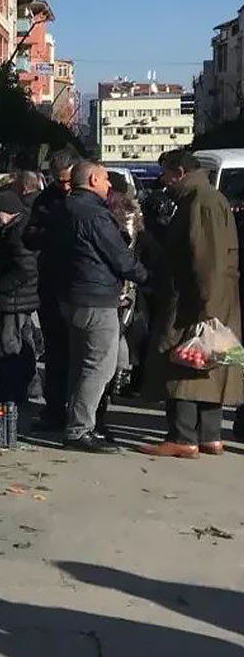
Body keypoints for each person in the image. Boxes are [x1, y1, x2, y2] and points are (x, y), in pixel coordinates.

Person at [139, 151, 242, 458]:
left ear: (180, 172)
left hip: (193, 299)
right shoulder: (207, 197)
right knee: (209, 362)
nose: (164, 182)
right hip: (213, 297)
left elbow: (205, 256)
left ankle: (183, 437)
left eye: (166, 175)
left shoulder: (200, 201)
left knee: (180, 361)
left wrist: (206, 306)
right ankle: (210, 436)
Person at [49, 161, 147, 453]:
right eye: (105, 181)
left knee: (81, 364)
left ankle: (75, 422)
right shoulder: (93, 214)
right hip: (95, 297)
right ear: (93, 179)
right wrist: (148, 276)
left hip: (71, 294)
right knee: (100, 367)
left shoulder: (63, 208)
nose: (108, 186)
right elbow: (118, 257)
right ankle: (80, 429)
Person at [24, 151, 80, 430]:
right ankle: (55, 408)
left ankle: (85, 413)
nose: (66, 187)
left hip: (85, 287)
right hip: (53, 285)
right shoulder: (45, 202)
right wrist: (51, 233)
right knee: (57, 352)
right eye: (60, 182)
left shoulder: (94, 199)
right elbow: (30, 237)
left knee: (86, 355)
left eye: (70, 181)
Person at [0, 179, 42, 405]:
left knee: (7, 344)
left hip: (15, 298)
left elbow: (25, 268)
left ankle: (9, 390)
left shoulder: (17, 234)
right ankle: (24, 387)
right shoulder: (19, 228)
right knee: (23, 342)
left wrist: (2, 289)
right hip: (22, 298)